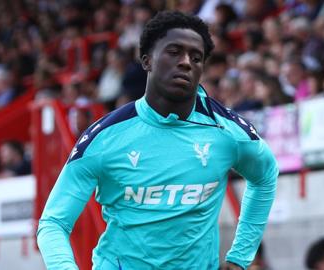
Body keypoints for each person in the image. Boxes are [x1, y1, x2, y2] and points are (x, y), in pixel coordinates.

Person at [37, 11, 278, 270]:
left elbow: (265, 176)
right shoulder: (104, 137)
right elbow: (53, 223)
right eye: (174, 52)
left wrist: (240, 258)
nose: (186, 62)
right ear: (147, 61)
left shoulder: (227, 130)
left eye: (196, 58)